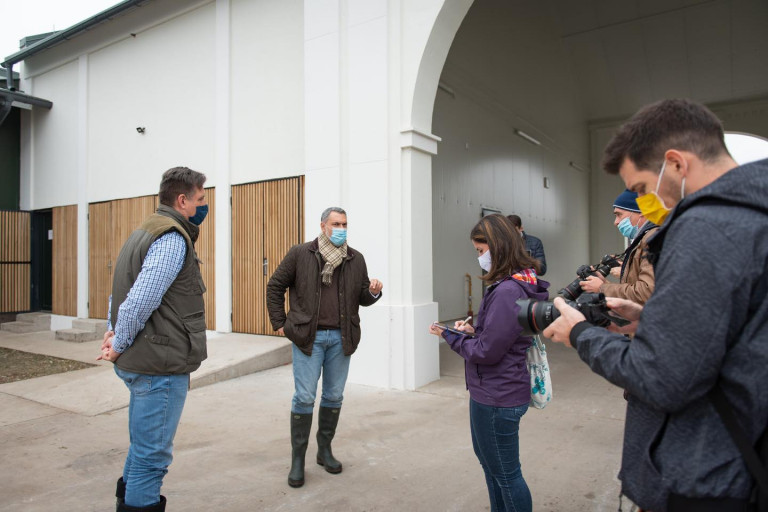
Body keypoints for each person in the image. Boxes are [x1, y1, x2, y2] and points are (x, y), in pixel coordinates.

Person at [542, 99, 768, 511]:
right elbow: (740, 330)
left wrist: (580, 333)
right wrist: (652, 317)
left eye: (643, 188)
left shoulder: (706, 227)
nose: (647, 202)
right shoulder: (753, 216)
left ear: (676, 164)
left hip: (706, 475)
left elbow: (662, 377)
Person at [99, 166, 209, 512]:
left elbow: (121, 291)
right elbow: (140, 299)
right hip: (158, 368)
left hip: (146, 361)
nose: (203, 206)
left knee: (141, 449)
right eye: (200, 199)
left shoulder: (144, 230)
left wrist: (113, 329)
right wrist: (118, 343)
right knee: (151, 460)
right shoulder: (173, 238)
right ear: (182, 200)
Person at [429, 214, 549, 512]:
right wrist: (474, 330)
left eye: (481, 251)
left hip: (497, 395)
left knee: (506, 475)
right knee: (494, 468)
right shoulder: (519, 283)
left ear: (498, 247)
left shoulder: (507, 290)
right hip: (499, 390)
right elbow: (502, 335)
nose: (480, 258)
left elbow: (486, 352)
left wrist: (451, 335)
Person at [266, 207, 383, 488]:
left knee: (333, 396)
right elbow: (274, 286)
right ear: (323, 226)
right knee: (305, 397)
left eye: (344, 223)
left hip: (341, 339)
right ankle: (297, 460)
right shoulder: (300, 254)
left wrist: (374, 291)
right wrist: (279, 323)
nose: (341, 228)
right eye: (335, 223)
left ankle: (324, 451)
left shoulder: (356, 258)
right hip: (309, 338)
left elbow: (362, 297)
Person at [580, 190, 657, 304]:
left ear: (641, 211)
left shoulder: (652, 239)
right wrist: (605, 284)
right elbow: (634, 289)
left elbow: (646, 293)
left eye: (619, 214)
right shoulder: (643, 239)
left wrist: (602, 288)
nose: (616, 222)